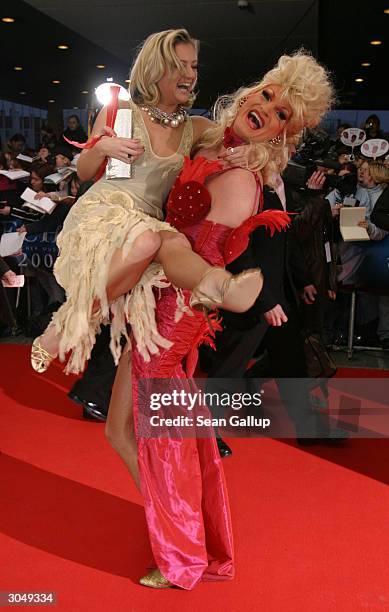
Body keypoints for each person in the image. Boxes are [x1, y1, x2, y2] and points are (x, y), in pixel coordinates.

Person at [105, 50, 334, 589]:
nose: (267, 110)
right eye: (269, 95)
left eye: (282, 116)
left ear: (281, 137)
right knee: (119, 429)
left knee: (159, 437)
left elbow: (197, 255)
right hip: (156, 301)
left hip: (174, 312)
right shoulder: (214, 143)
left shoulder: (240, 179)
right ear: (253, 90)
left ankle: (180, 556)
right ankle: (178, 528)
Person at [30, 28, 261, 375]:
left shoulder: (196, 128)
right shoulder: (122, 112)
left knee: (174, 241)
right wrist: (102, 147)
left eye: (193, 66)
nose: (189, 74)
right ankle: (65, 324)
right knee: (150, 240)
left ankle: (220, 285)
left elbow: (234, 141)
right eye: (179, 65)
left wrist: (248, 153)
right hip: (105, 213)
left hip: (149, 219)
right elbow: (83, 171)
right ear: (155, 68)